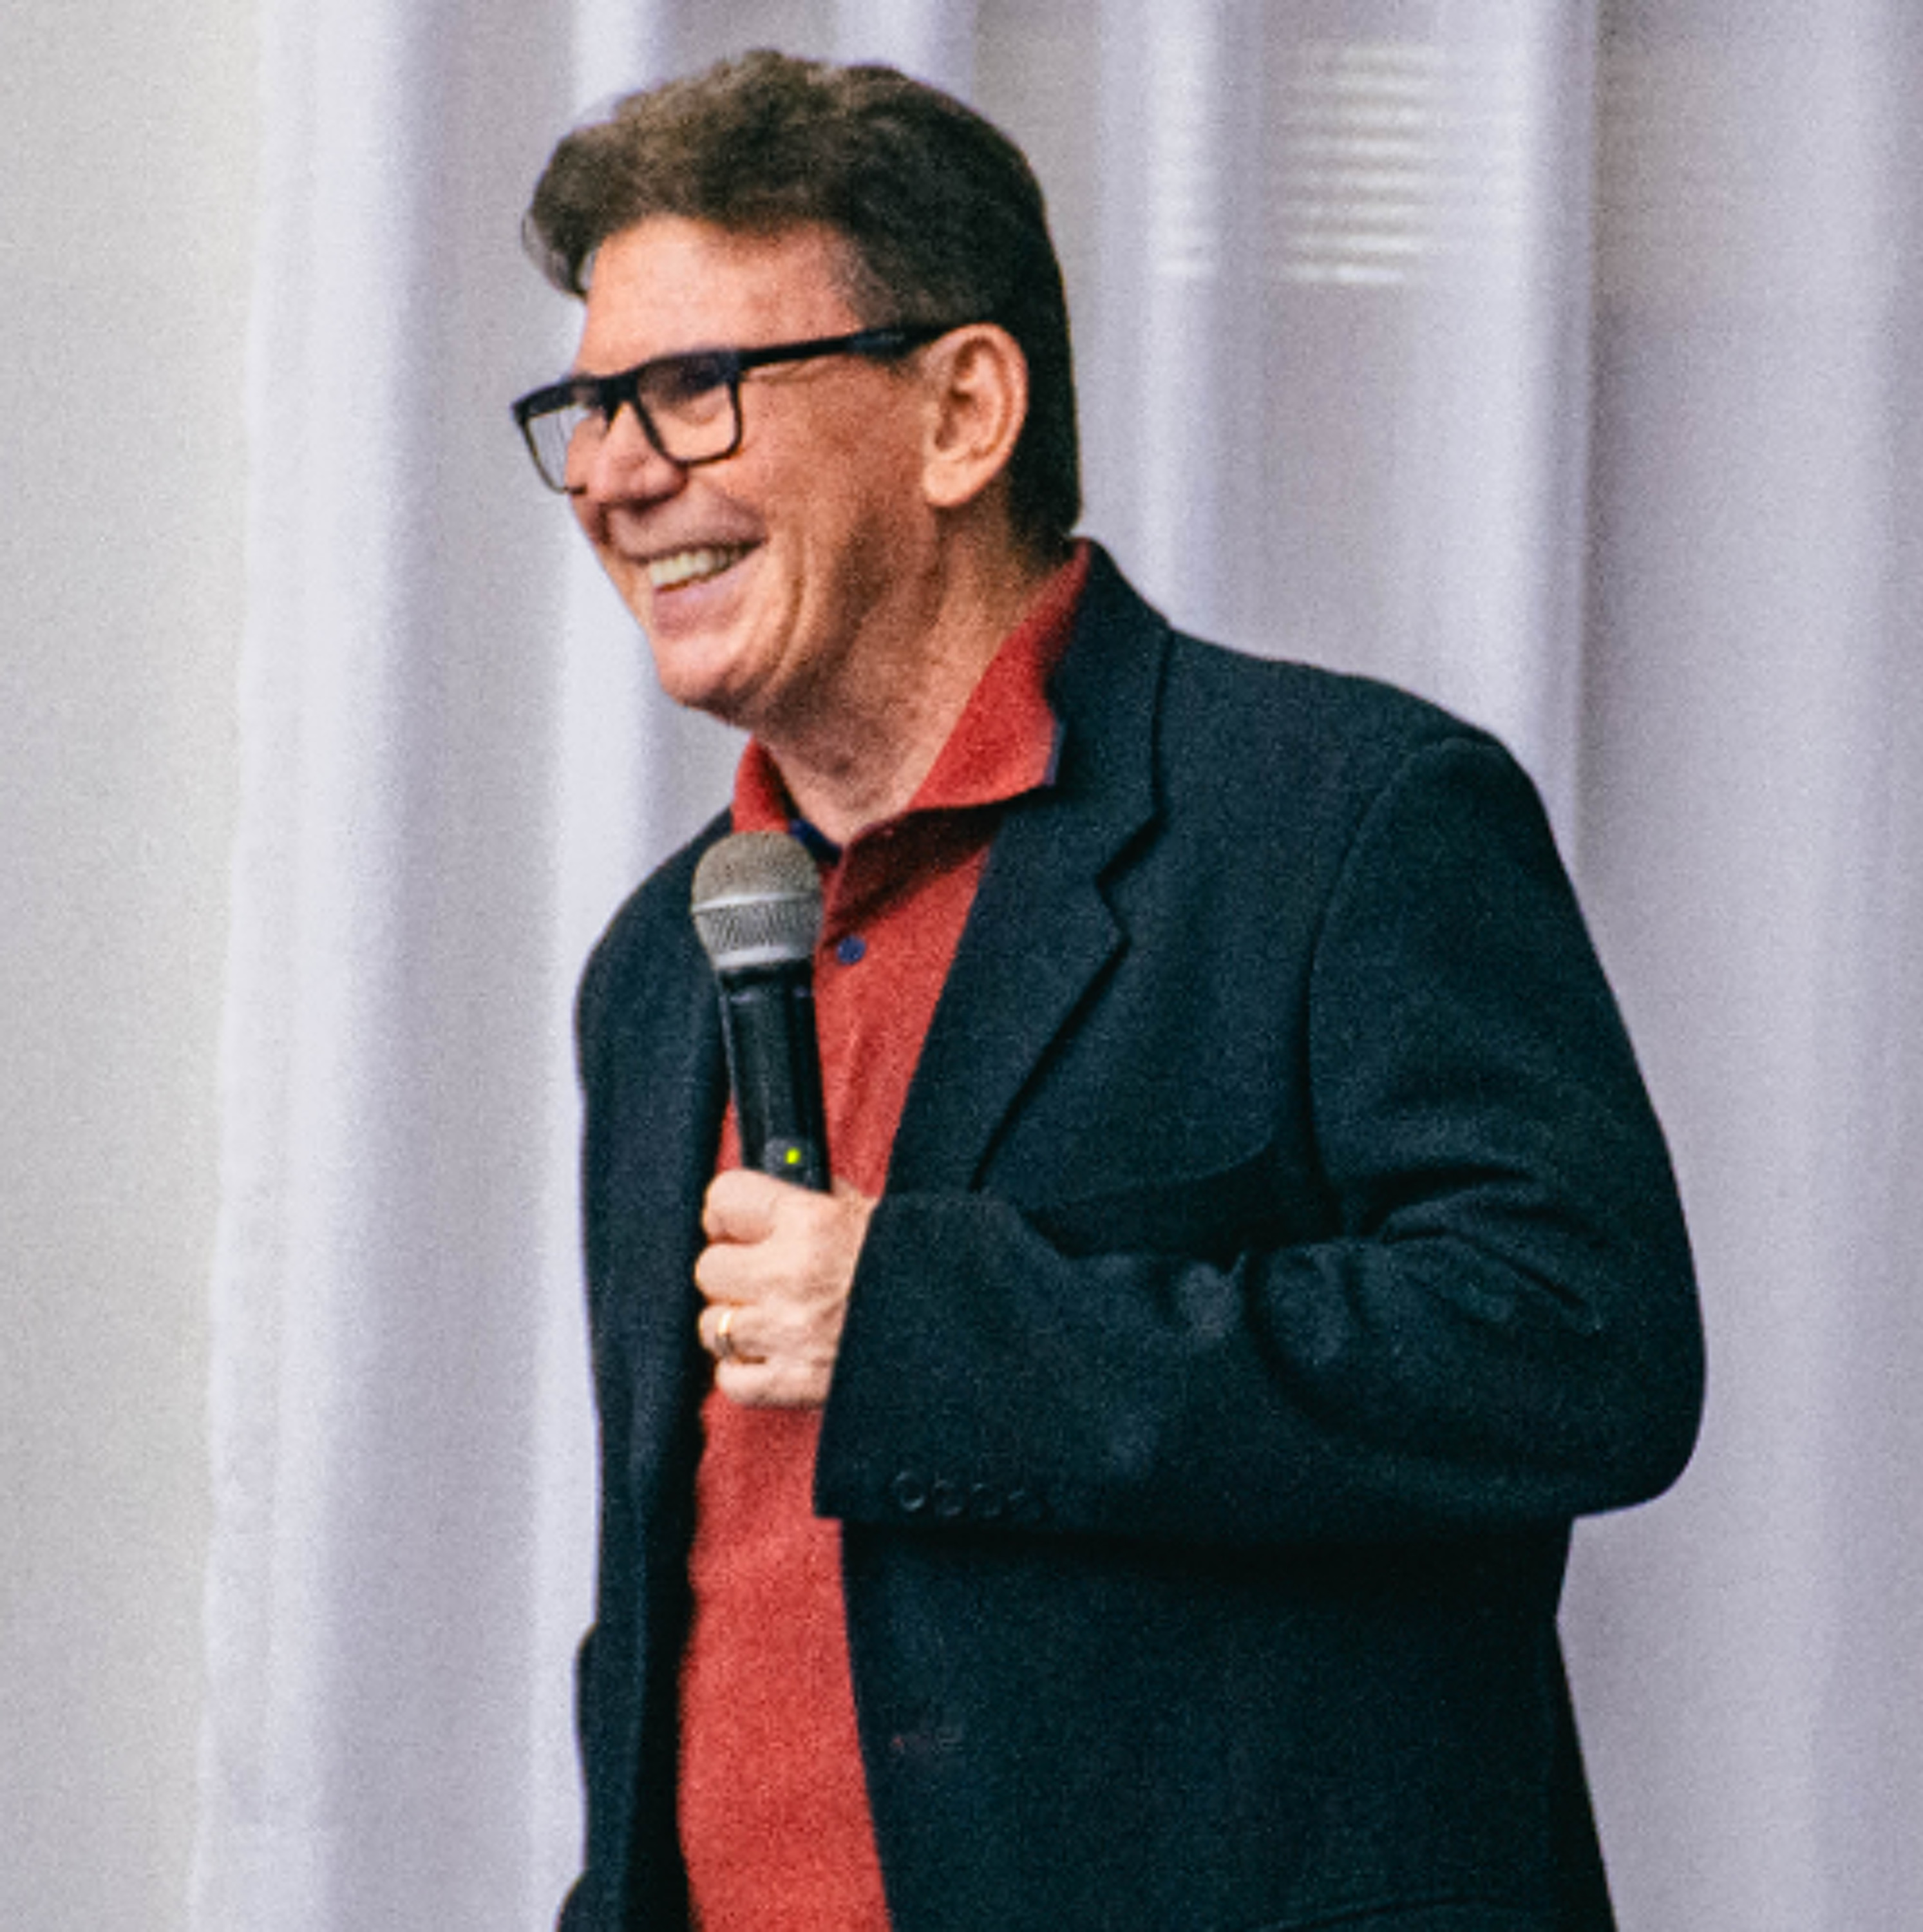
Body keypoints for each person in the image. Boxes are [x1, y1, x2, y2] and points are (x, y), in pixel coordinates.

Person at [513, 48, 1703, 1932]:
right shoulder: (665, 964)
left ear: (962, 413)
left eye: (692, 390)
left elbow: (1576, 1354)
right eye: (586, 408)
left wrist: (926, 1322)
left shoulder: (1345, 820)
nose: (611, 474)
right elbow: (670, 1615)